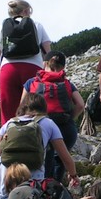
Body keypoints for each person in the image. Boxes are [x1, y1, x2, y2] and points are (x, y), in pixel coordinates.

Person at [20, 51, 85, 180]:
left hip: (40, 128)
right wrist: (70, 118)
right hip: (65, 128)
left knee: (44, 165)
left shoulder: (31, 82)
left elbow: (22, 106)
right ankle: (57, 186)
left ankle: (43, 187)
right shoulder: (67, 83)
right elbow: (81, 105)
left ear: (45, 63)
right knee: (60, 160)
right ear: (63, 67)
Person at [0, 0, 52, 125]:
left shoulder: (2, 27)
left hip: (8, 70)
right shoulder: (37, 25)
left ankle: (9, 135)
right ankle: (36, 134)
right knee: (34, 110)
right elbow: (49, 55)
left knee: (9, 113)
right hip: (33, 70)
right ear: (25, 11)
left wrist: (0, 81)